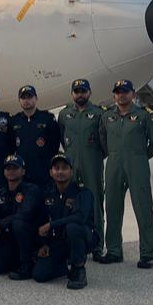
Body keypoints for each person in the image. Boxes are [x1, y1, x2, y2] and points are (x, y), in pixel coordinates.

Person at [99, 79, 153, 268]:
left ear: (133, 94)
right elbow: (103, 140)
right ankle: (113, 250)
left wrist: (141, 157)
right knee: (112, 207)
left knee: (143, 208)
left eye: (125, 91)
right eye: (118, 92)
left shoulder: (144, 116)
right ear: (114, 95)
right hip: (113, 164)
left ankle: (147, 253)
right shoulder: (107, 116)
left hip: (137, 164)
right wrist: (113, 155)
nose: (121, 95)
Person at [58, 79, 108, 259]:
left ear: (90, 93)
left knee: (94, 203)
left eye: (83, 91)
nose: (80, 94)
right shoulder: (64, 114)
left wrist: (93, 156)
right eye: (77, 91)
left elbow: (104, 142)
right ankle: (69, 244)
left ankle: (97, 244)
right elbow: (63, 139)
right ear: (72, 94)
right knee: (68, 202)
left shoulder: (99, 114)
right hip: (71, 164)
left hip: (92, 163)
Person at [31, 154, 94, 289]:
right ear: (51, 172)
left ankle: (79, 269)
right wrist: (43, 244)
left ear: (71, 171)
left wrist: (52, 225)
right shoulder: (47, 193)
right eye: (56, 168)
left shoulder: (82, 192)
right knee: (39, 275)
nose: (60, 172)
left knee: (72, 227)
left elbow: (80, 217)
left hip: (83, 238)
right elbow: (41, 220)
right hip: (58, 241)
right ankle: (61, 266)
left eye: (64, 168)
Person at [0, 154, 42, 276]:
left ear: (23, 171)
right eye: (8, 168)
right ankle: (14, 261)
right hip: (9, 241)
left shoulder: (31, 190)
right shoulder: (0, 194)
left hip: (30, 239)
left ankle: (26, 265)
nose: (11, 171)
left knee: (18, 223)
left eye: (15, 168)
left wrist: (1, 223)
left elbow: (25, 213)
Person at [10, 85, 61, 188]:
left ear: (36, 98)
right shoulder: (15, 120)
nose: (26, 100)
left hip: (43, 172)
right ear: (19, 101)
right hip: (22, 173)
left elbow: (54, 144)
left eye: (29, 97)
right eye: (23, 98)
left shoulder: (47, 118)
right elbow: (11, 145)